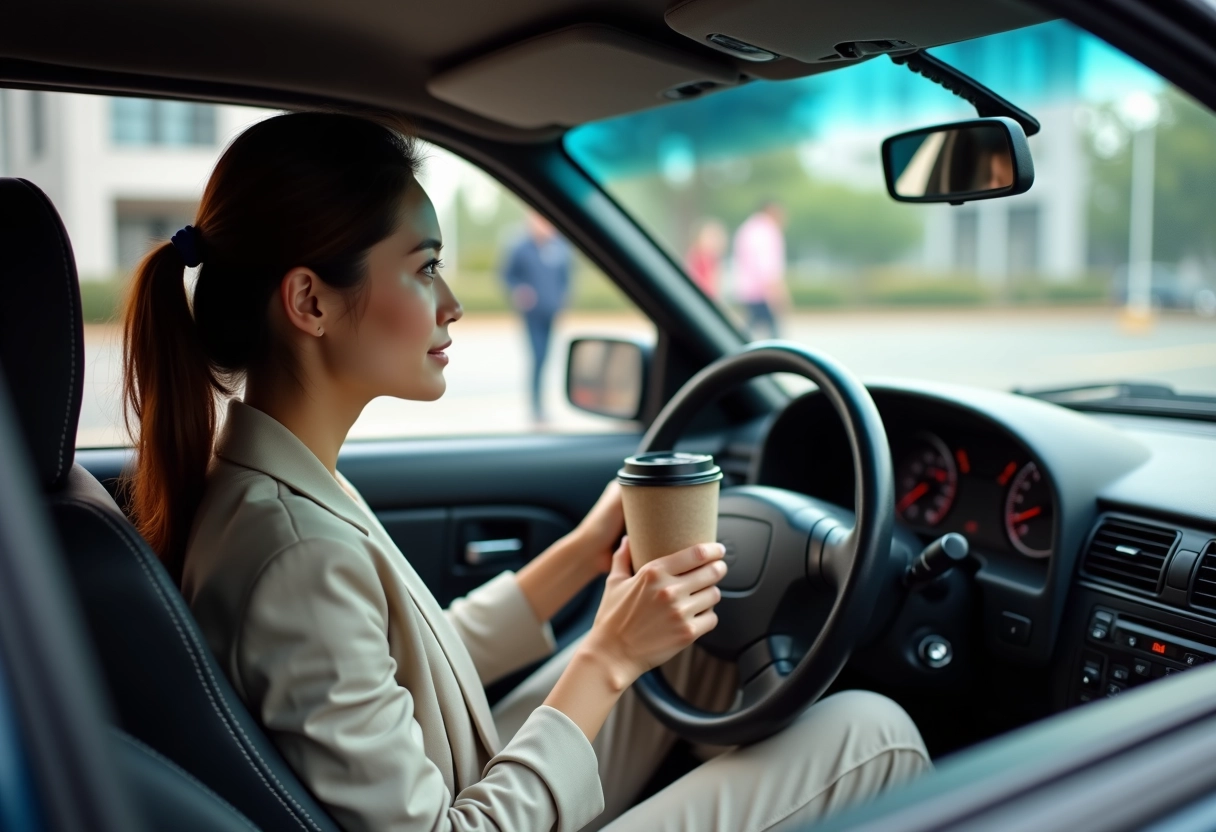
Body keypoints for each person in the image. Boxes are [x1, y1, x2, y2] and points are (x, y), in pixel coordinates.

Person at [120, 112, 930, 832]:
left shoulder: (272, 482)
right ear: (311, 302)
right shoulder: (295, 550)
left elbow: (416, 665)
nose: (451, 304)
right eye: (424, 266)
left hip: (453, 777)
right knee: (871, 733)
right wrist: (607, 658)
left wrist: (584, 552)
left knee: (695, 648)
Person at [502, 211, 572, 421]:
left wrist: (563, 299)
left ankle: (541, 405)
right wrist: (518, 291)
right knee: (538, 357)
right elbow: (507, 275)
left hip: (552, 313)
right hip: (531, 315)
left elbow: (566, 277)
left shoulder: (560, 247)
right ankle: (536, 407)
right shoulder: (520, 248)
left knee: (547, 358)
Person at [732, 201, 791, 338]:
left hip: (748, 290)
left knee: (751, 328)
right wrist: (777, 292)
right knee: (773, 332)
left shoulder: (748, 228)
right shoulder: (766, 231)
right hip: (762, 292)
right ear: (772, 211)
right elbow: (766, 266)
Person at [685, 218, 727, 298]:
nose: (714, 242)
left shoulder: (714, 260)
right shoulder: (697, 258)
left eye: (716, 238)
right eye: (710, 237)